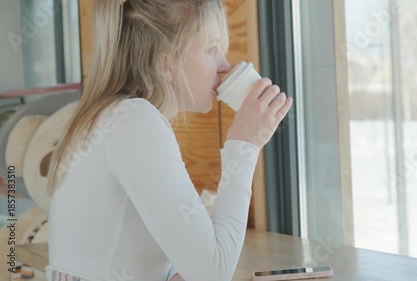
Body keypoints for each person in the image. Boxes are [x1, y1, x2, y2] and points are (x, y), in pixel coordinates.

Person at [44, 0, 293, 281]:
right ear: (166, 64)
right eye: (211, 49)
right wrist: (245, 146)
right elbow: (213, 272)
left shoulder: (108, 117)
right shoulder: (134, 121)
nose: (225, 66)